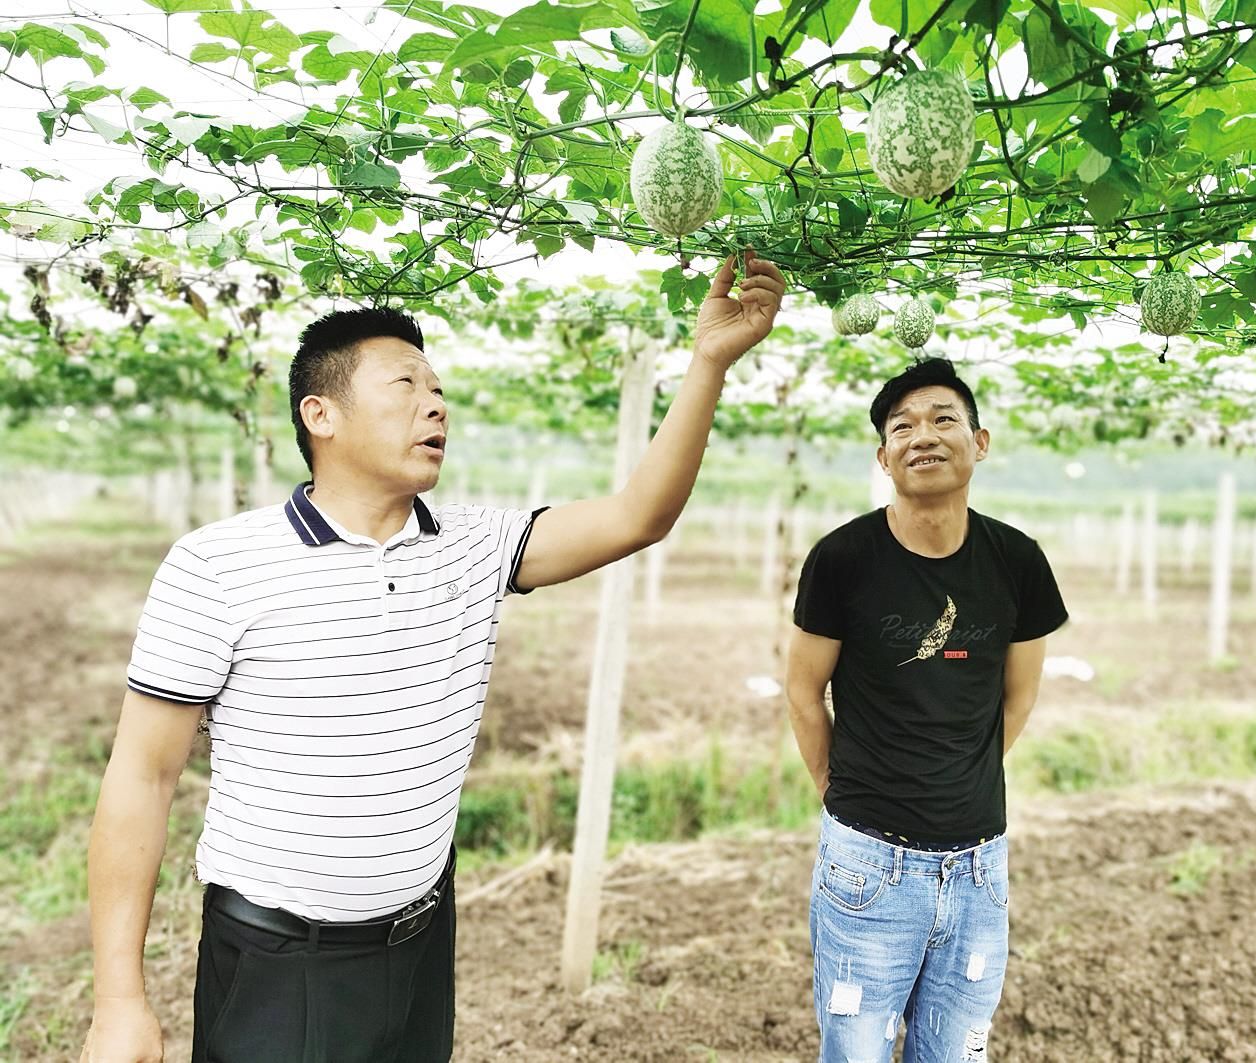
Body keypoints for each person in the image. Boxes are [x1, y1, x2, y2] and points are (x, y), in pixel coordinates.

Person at [80, 251, 785, 1063]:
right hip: (281, 961)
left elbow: (639, 515)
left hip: (418, 944)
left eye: (439, 389)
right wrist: (119, 1000)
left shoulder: (475, 546)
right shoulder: (217, 565)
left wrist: (707, 364)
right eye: (405, 385)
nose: (435, 404)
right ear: (321, 414)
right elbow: (143, 776)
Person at [786, 357, 1067, 1063]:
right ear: (883, 457)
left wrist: (958, 776)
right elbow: (803, 691)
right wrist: (840, 789)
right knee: (856, 1051)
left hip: (978, 868)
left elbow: (1019, 695)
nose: (923, 435)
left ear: (980, 442)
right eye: (902, 426)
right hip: (867, 862)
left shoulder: (1018, 561)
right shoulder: (842, 558)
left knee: (955, 1054)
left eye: (943, 419)